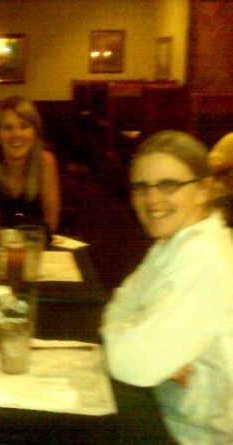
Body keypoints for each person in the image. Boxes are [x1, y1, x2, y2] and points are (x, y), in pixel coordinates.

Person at [100, 130, 233, 445]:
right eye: (141, 187)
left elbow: (128, 363)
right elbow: (118, 303)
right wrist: (140, 337)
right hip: (166, 411)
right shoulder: (173, 242)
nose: (151, 199)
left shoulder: (200, 257)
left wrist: (133, 337)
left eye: (168, 185)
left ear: (202, 190)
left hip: (194, 436)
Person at [0, 96, 61, 233]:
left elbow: (51, 225)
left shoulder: (45, 161)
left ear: (35, 132)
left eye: (24, 126)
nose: (16, 134)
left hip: (36, 244)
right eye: (7, 128)